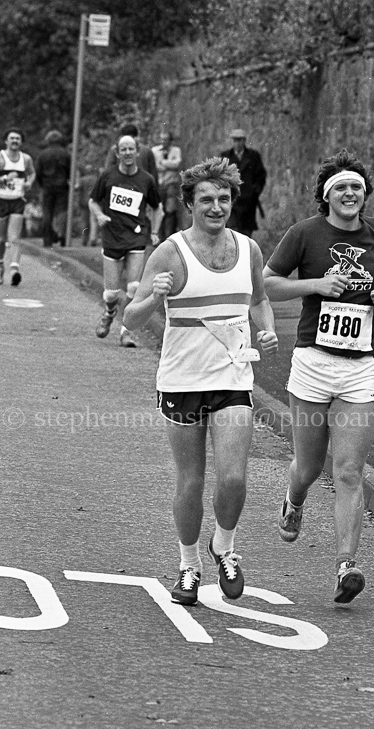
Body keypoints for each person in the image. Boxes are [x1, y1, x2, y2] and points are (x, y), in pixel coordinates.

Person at [123, 156, 278, 605]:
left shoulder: (248, 250)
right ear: (188, 203)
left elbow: (261, 299)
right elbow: (132, 319)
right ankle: (188, 565)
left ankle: (224, 548)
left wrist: (266, 329)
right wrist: (154, 295)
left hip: (232, 376)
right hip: (182, 380)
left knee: (233, 479)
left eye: (224, 199)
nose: (216, 207)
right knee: (190, 481)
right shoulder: (170, 252)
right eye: (206, 199)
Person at [263, 149, 374, 606]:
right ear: (326, 196)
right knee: (308, 467)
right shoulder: (305, 233)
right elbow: (267, 282)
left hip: (361, 367)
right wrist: (316, 286)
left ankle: (347, 565)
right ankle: (294, 498)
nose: (350, 194)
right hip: (312, 365)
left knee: (348, 471)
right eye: (341, 188)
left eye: (357, 189)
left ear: (365, 197)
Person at [89, 134, 163, 348]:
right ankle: (109, 312)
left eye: (131, 149)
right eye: (124, 149)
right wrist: (99, 215)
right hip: (112, 236)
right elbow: (93, 201)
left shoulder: (146, 179)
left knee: (134, 286)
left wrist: (155, 230)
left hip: (136, 236)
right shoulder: (108, 176)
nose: (128, 153)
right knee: (111, 293)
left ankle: (126, 331)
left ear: (137, 152)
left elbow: (157, 208)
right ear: (117, 152)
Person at [0, 127, 36, 285]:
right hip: (1, 199)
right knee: (1, 238)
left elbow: (32, 173)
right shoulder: (1, 158)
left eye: (17, 139)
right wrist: (6, 177)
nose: (15, 141)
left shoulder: (26, 159)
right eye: (12, 138)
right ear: (6, 141)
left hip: (17, 200)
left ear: (21, 142)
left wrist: (29, 182)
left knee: (14, 237)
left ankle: (14, 270)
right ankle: (1, 265)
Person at [220, 129, 266, 237]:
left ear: (244, 141)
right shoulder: (225, 156)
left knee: (246, 233)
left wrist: (255, 191)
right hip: (232, 201)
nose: (237, 143)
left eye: (240, 140)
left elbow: (261, 176)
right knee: (232, 231)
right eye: (235, 140)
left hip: (248, 202)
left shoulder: (253, 156)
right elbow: (220, 176)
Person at [35, 130, 71, 249]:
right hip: (62, 187)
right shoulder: (66, 154)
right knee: (62, 211)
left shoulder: (42, 155)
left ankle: (47, 239)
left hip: (47, 186)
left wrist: (42, 184)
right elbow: (70, 170)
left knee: (47, 212)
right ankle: (61, 234)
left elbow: (38, 172)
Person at [151, 129, 182, 241]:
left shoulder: (176, 150)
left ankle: (169, 237)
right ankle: (158, 237)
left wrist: (163, 163)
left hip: (171, 185)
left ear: (170, 140)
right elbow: (154, 166)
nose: (164, 141)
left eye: (166, 139)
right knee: (159, 210)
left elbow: (177, 163)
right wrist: (169, 165)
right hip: (158, 184)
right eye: (162, 139)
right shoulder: (154, 151)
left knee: (170, 210)